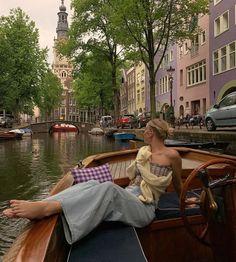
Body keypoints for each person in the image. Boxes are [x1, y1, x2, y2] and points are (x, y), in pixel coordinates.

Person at [3, 119, 183, 244]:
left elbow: (177, 183)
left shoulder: (172, 156)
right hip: (130, 195)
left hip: (145, 207)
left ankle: (48, 209)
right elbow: (134, 181)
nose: (143, 132)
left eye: (145, 130)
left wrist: (184, 200)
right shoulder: (144, 152)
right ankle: (43, 203)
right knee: (92, 184)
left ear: (150, 132)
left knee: (109, 189)